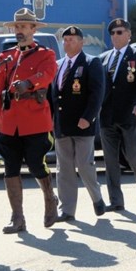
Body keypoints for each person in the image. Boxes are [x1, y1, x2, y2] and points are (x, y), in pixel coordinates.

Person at [0, 8, 59, 233]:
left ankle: (50, 199)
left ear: (33, 29)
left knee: (37, 164)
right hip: (10, 123)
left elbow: (49, 73)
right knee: (10, 169)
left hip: (35, 121)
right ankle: (17, 218)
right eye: (16, 27)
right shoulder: (6, 56)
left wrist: (29, 83)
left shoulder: (45, 54)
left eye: (23, 27)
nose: (19, 30)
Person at [49, 26, 107, 221]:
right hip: (62, 125)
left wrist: (88, 117)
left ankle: (97, 198)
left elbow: (97, 94)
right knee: (63, 169)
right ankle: (67, 210)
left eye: (72, 39)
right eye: (65, 39)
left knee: (84, 165)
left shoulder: (92, 63)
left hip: (83, 124)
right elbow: (53, 97)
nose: (68, 42)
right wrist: (50, 119)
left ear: (82, 42)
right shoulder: (57, 65)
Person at [98, 18, 136, 210]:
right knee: (110, 160)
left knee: (132, 155)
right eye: (112, 33)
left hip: (130, 114)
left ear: (129, 35)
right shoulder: (103, 58)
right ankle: (116, 201)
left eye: (120, 32)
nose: (115, 36)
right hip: (107, 116)